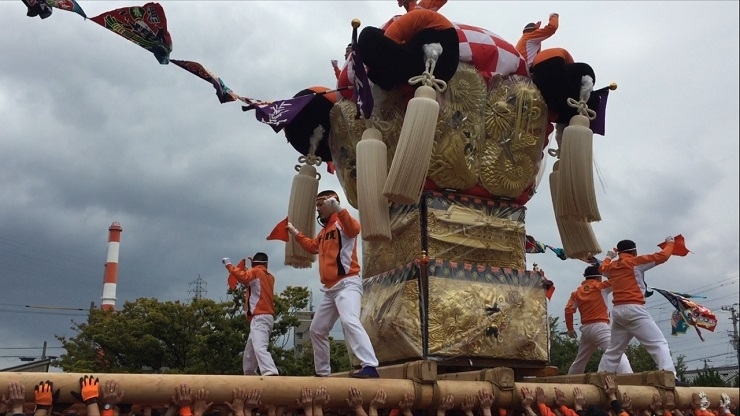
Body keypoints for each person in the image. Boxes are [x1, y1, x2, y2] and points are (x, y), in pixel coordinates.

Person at [286, 190, 380, 378]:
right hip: (330, 290)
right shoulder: (324, 231)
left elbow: (355, 229)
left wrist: (338, 208)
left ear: (331, 203)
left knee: (349, 320)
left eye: (320, 205)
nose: (317, 210)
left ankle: (370, 366)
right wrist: (295, 233)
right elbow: (312, 246)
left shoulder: (342, 224)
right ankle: (322, 373)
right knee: (317, 329)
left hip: (347, 283)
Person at [597, 237, 682, 382]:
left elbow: (602, 269)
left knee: (614, 351)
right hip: (634, 309)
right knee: (658, 344)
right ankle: (670, 377)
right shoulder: (635, 262)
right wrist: (671, 243)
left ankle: (600, 380)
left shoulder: (611, 267)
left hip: (618, 311)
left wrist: (608, 256)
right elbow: (663, 256)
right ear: (633, 250)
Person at [357, 8, 459, 91]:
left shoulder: (394, 31)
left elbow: (388, 53)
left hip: (440, 55)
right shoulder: (408, 30)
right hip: (435, 68)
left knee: (367, 35)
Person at [564, 265, 632, 374]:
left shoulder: (576, 293)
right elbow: (618, 279)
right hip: (600, 327)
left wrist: (570, 329)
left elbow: (568, 310)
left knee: (580, 360)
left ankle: (570, 382)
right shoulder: (601, 286)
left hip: (585, 329)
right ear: (598, 278)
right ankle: (629, 377)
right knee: (616, 352)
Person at [222, 252, 279, 376]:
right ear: (266, 264)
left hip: (260, 316)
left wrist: (229, 265)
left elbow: (245, 277)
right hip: (265, 316)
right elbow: (254, 280)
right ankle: (250, 375)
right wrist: (249, 269)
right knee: (249, 356)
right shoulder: (269, 276)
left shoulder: (255, 273)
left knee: (259, 347)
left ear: (254, 263)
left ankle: (271, 371)